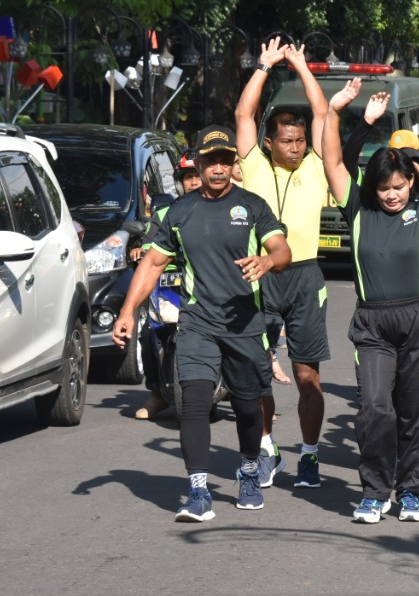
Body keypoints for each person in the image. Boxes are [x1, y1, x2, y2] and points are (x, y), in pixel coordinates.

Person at [112, 125, 292, 524]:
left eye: (225, 160)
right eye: (211, 161)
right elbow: (153, 263)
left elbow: (282, 248)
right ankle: (198, 491)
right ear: (199, 163)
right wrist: (127, 311)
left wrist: (266, 260)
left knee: (248, 407)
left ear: (233, 163)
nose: (218, 168)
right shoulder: (180, 211)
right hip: (197, 322)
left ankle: (248, 470)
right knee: (192, 401)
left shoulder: (253, 205)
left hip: (244, 323)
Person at [323, 67, 419, 524]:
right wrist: (343, 113)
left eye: (399, 187)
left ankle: (413, 492)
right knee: (376, 408)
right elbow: (334, 163)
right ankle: (376, 491)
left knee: (418, 411)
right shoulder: (357, 210)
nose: (392, 195)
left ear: (412, 184)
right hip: (373, 324)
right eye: (383, 188)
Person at [234, 38, 332, 490]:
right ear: (269, 142)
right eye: (286, 141)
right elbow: (242, 116)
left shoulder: (314, 167)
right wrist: (263, 66)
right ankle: (269, 447)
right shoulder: (253, 166)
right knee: (256, 371)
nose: (295, 147)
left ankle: (309, 455)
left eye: (299, 141)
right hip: (260, 273)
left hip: (306, 275)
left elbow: (323, 114)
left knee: (307, 373)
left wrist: (299, 65)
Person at [134, 151, 201, 421]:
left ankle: (253, 395)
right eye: (188, 177)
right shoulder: (164, 212)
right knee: (150, 331)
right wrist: (141, 251)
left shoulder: (226, 210)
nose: (194, 182)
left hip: (212, 285)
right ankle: (158, 394)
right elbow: (151, 246)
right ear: (180, 182)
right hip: (171, 285)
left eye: (198, 175)